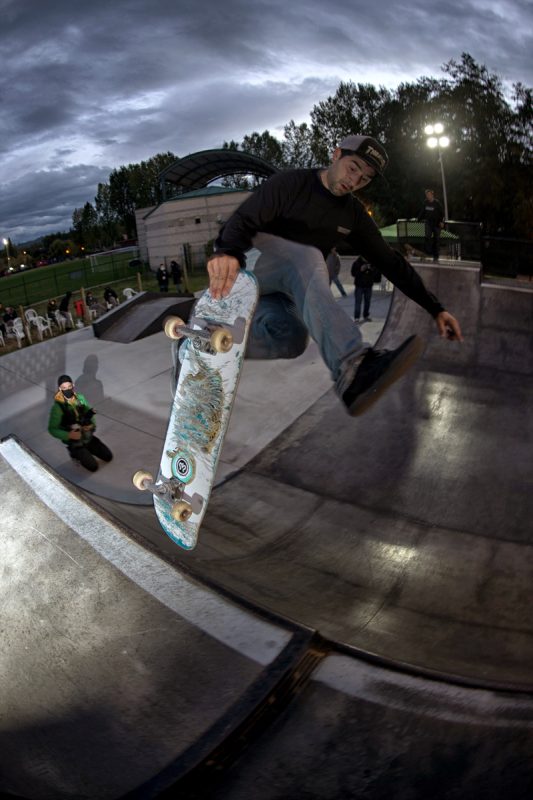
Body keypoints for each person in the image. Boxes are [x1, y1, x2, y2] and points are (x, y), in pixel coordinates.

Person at [206, 133, 463, 417]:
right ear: (336, 154)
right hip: (252, 268)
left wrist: (435, 308)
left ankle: (209, 340)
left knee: (290, 338)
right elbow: (243, 219)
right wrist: (227, 252)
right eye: (353, 168)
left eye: (364, 179)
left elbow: (391, 262)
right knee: (313, 256)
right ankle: (352, 366)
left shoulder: (352, 215)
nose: (354, 181)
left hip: (282, 294)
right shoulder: (292, 183)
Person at [48, 374, 113, 472]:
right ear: (60, 389)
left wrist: (91, 425)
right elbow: (52, 429)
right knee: (93, 467)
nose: (67, 390)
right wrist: (68, 435)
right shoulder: (57, 408)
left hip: (87, 435)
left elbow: (88, 411)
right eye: (64, 388)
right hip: (75, 441)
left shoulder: (80, 398)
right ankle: (75, 453)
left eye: (69, 386)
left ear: (73, 385)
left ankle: (88, 448)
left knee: (108, 456)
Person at [417, 188, 445, 262]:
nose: (428, 196)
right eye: (427, 195)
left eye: (429, 195)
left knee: (436, 240)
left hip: (436, 224)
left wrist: (442, 221)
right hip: (428, 223)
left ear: (432, 195)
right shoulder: (425, 202)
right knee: (427, 238)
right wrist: (417, 219)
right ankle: (427, 253)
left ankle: (436, 257)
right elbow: (422, 212)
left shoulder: (437, 203)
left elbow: (442, 213)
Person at [351, 255, 379, 322]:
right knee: (358, 302)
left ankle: (366, 316)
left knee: (367, 302)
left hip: (368, 286)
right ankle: (357, 317)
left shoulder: (371, 263)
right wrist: (360, 270)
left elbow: (376, 273)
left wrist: (371, 269)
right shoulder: (356, 263)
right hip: (359, 286)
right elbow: (353, 273)